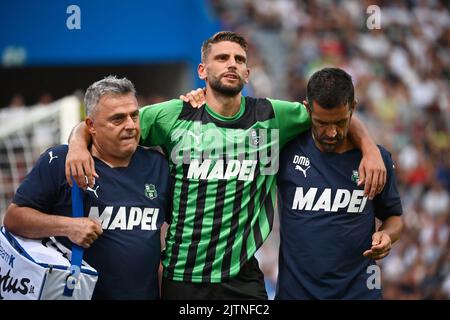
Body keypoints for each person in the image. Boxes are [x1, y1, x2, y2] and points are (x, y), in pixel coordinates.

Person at [66, 31, 386, 300]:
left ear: (247, 73)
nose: (232, 64)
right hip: (183, 276)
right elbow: (104, 123)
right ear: (202, 71)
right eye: (222, 58)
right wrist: (78, 144)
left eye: (240, 60)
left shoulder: (275, 115)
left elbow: (331, 116)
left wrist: (369, 148)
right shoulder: (172, 114)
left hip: (243, 276)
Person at [3, 76, 170, 300]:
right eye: (118, 119)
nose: (130, 125)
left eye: (134, 115)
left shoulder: (157, 164)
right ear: (91, 126)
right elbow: (14, 218)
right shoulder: (60, 160)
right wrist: (67, 226)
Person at [276, 68, 404, 299]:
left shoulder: (376, 160)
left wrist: (387, 236)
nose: (332, 132)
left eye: (340, 122)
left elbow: (394, 217)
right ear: (307, 109)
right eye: (321, 123)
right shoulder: (285, 150)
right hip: (296, 294)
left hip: (359, 294)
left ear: (353, 108)